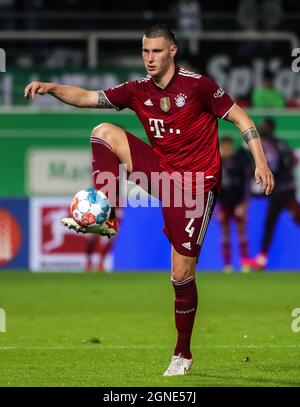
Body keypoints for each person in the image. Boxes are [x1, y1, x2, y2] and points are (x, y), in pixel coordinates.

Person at [24, 24, 274, 376]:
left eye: (156, 51)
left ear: (173, 50)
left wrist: (260, 161)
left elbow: (241, 118)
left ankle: (182, 353)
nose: (149, 58)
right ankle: (104, 212)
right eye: (145, 51)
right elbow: (87, 98)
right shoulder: (137, 90)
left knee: (181, 274)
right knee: (103, 132)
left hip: (194, 189)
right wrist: (50, 88)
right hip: (161, 175)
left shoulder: (199, 86)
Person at [249, 118, 300, 270]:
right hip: (289, 187)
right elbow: (294, 160)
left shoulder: (268, 145)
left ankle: (262, 259)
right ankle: (262, 258)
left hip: (279, 190)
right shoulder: (282, 143)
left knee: (269, 223)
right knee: (296, 217)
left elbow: (273, 164)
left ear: (268, 129)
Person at [217, 136, 252, 273]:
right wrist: (216, 207)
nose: (226, 149)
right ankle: (227, 265)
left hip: (238, 203)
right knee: (225, 234)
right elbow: (214, 187)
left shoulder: (239, 161)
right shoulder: (217, 162)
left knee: (242, 233)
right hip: (224, 204)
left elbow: (246, 184)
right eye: (223, 147)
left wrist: (244, 203)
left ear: (231, 147)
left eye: (228, 146)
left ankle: (245, 263)